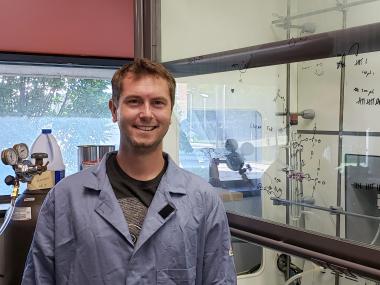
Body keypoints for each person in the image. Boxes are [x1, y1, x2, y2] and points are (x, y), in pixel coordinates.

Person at [22, 58, 237, 284]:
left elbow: (219, 279)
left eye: (158, 103)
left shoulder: (202, 200)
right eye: (134, 102)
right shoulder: (65, 198)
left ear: (170, 112)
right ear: (114, 110)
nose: (146, 113)